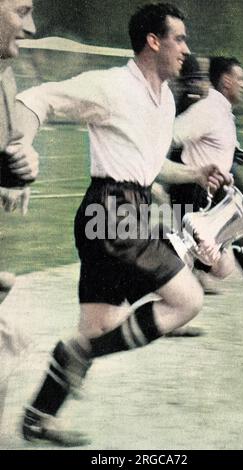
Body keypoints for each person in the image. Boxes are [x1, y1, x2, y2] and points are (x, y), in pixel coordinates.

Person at [15, 3, 232, 446]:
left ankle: (38, 416)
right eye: (180, 39)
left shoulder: (166, 99)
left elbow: (149, 170)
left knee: (97, 328)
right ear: (154, 41)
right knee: (187, 299)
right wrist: (21, 147)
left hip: (122, 210)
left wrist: (195, 172)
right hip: (112, 211)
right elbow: (35, 98)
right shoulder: (110, 86)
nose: (186, 51)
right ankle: (79, 357)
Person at [162, 56, 243, 285]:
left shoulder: (222, 112)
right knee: (212, 263)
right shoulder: (208, 110)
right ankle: (160, 248)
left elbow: (212, 143)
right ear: (226, 81)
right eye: (240, 79)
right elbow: (169, 135)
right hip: (194, 191)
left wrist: (232, 155)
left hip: (210, 192)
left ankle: (175, 254)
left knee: (222, 267)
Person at [0, 0, 38, 425]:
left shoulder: (5, 79)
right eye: (22, 11)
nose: (31, 27)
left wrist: (20, 169)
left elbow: (10, 151)